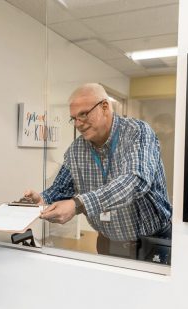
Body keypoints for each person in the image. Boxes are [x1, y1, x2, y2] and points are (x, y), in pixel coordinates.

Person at [25, 83, 172, 260]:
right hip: (108, 242)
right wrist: (43, 199)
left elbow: (135, 181)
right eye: (74, 118)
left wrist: (79, 205)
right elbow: (61, 189)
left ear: (104, 107)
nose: (78, 124)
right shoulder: (77, 149)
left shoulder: (137, 133)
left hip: (153, 242)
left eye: (84, 114)